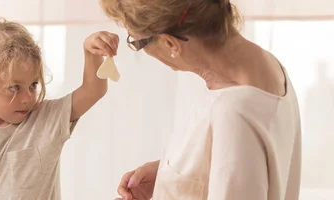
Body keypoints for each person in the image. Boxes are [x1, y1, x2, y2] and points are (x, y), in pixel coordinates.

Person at [98, 0, 302, 199]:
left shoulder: (233, 113)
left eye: (136, 42)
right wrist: (170, 179)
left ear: (170, 43)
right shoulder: (267, 67)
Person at [0, 19, 119, 199]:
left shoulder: (47, 118)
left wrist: (91, 53)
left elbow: (93, 91)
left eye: (33, 85)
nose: (27, 98)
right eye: (13, 88)